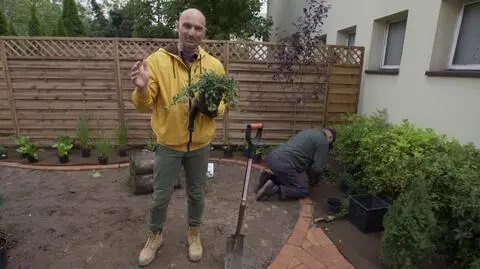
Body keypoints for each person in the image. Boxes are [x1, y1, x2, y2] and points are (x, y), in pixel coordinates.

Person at [129, 8, 227, 266]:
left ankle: (194, 234)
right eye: (187, 26)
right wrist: (140, 90)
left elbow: (223, 104)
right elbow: (143, 104)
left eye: (197, 28)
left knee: (196, 193)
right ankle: (155, 235)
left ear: (204, 32)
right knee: (161, 195)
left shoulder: (214, 66)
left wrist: (212, 107)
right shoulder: (157, 62)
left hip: (200, 145)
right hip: (168, 144)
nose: (192, 32)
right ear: (178, 26)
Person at [255, 128, 336, 201]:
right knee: (303, 190)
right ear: (330, 137)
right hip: (285, 163)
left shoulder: (309, 131)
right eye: (330, 142)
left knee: (289, 176)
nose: (329, 144)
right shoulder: (324, 142)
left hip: (273, 157)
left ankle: (268, 178)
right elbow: (317, 169)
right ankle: (275, 190)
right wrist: (312, 180)